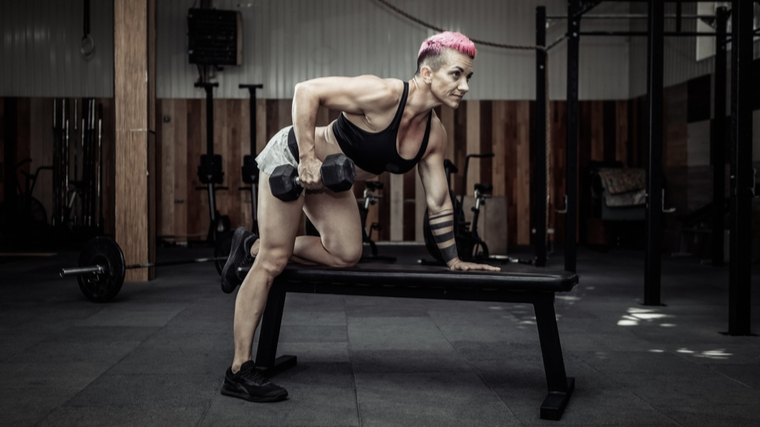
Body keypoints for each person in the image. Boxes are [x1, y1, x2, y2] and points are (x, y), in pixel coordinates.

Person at [219, 31, 500, 403]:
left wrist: (454, 260)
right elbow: (306, 90)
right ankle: (239, 369)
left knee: (347, 254)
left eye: (469, 77)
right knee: (275, 260)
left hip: (334, 180)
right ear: (429, 75)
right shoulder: (381, 94)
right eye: (457, 74)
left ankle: (250, 245)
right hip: (292, 156)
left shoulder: (434, 134)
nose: (464, 86)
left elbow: (439, 202)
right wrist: (306, 158)